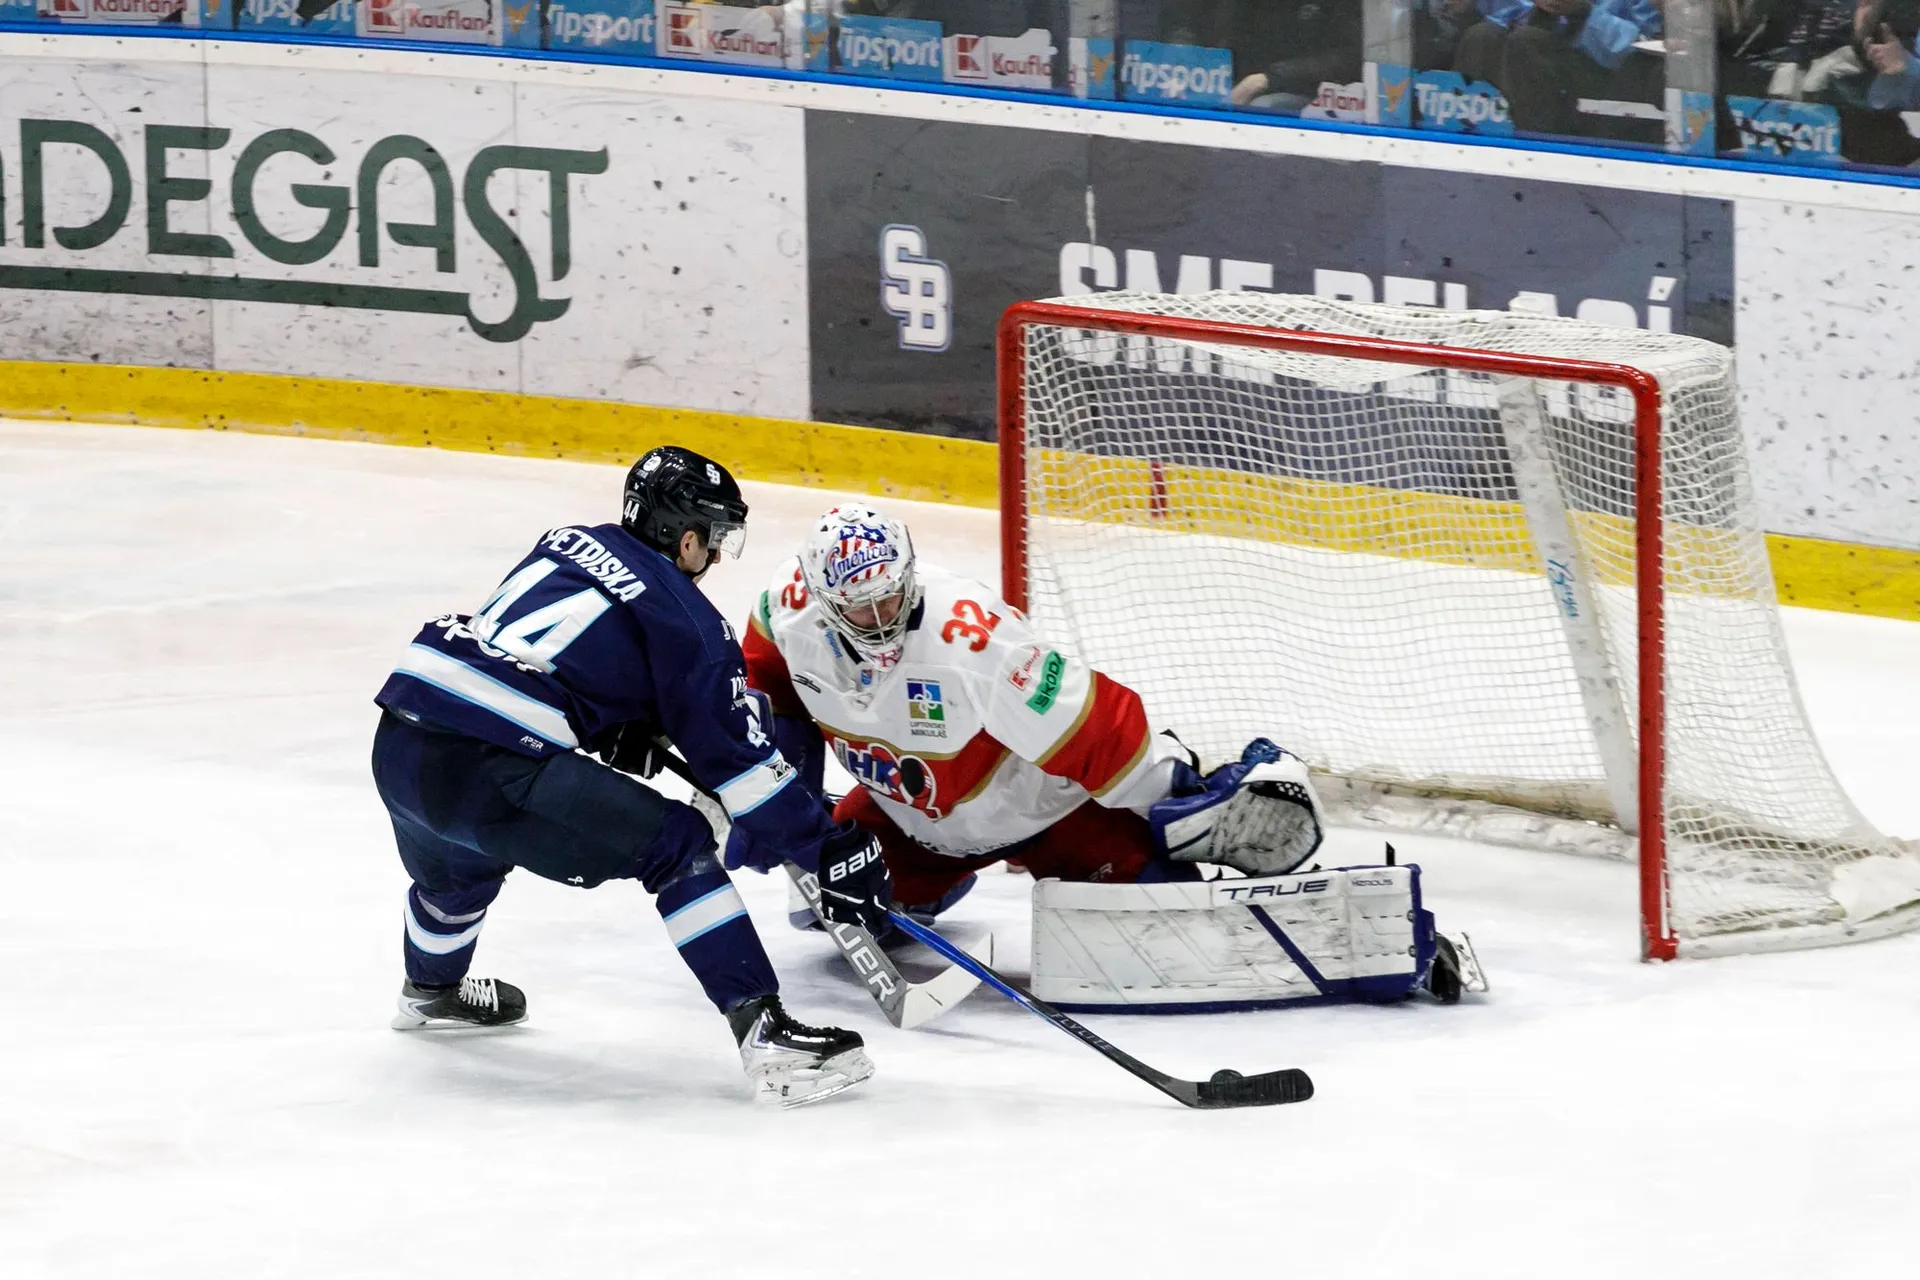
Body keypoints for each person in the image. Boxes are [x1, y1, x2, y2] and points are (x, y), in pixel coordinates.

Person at [368, 447, 888, 1108]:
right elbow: (743, 768)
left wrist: (613, 718)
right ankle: (768, 1038)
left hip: (402, 738)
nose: (716, 556)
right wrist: (828, 848)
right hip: (491, 766)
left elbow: (548, 654)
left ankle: (430, 990)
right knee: (679, 845)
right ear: (687, 537)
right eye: (715, 538)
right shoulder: (690, 622)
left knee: (458, 869)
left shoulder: (566, 542)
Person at [728, 502, 1328, 929]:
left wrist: (1179, 793)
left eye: (891, 595)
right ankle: (931, 883)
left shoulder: (973, 640)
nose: (883, 617)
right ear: (824, 601)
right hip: (911, 822)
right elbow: (767, 696)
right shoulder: (786, 612)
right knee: (820, 907)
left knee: (1158, 917)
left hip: (1045, 815)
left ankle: (1168, 828)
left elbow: (1094, 726)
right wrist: (779, 803)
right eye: (863, 607)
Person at [1454, 0, 1666, 136]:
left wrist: (1581, 12)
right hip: (1531, 54)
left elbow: (1641, 49)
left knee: (1528, 41)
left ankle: (1539, 149)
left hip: (1605, 79)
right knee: (1481, 37)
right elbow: (1503, 15)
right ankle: (1466, 141)